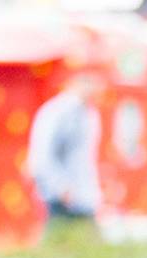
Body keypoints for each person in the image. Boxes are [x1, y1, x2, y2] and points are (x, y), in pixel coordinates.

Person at [27, 73, 104, 228]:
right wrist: (60, 187)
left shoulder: (88, 113)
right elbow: (43, 154)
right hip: (61, 196)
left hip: (83, 196)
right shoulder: (59, 111)